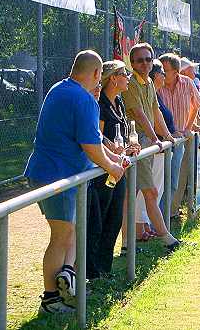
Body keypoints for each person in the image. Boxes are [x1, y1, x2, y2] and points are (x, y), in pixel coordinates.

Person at [24, 50, 125, 314]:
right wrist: (113, 166)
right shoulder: (84, 99)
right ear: (95, 74)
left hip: (49, 171)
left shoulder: (60, 88)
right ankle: (50, 300)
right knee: (62, 235)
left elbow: (92, 140)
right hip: (57, 176)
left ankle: (67, 277)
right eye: (100, 77)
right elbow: (90, 144)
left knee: (71, 230)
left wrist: (112, 157)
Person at [121, 43, 179, 253]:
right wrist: (156, 138)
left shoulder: (148, 83)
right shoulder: (130, 84)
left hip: (145, 143)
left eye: (148, 59)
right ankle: (167, 238)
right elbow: (138, 113)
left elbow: (156, 112)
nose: (144, 63)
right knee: (150, 192)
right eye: (139, 60)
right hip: (137, 143)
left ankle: (127, 244)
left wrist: (167, 135)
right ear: (132, 63)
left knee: (131, 194)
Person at [86, 61, 141, 281]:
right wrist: (114, 148)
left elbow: (121, 134)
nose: (128, 76)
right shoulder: (100, 103)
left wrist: (130, 145)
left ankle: (104, 269)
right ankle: (92, 271)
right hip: (103, 170)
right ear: (113, 78)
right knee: (99, 220)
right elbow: (98, 136)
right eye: (124, 73)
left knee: (115, 218)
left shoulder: (118, 100)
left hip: (119, 168)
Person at [158, 53, 200, 218]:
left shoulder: (188, 83)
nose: (162, 74)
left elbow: (196, 104)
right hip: (159, 141)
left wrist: (188, 127)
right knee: (157, 182)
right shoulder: (156, 86)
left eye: (165, 70)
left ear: (176, 72)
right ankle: (153, 220)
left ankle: (164, 217)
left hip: (178, 141)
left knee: (172, 180)